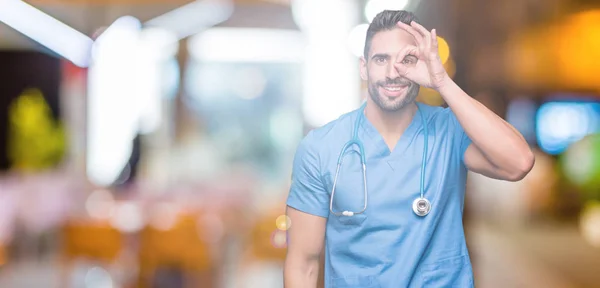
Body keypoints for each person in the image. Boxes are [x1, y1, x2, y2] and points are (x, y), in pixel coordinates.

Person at [283, 10, 535, 288]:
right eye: (381, 60)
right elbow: (302, 264)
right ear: (364, 67)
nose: (394, 72)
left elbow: (519, 163)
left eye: (407, 60)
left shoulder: (449, 130)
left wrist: (443, 82)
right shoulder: (321, 148)